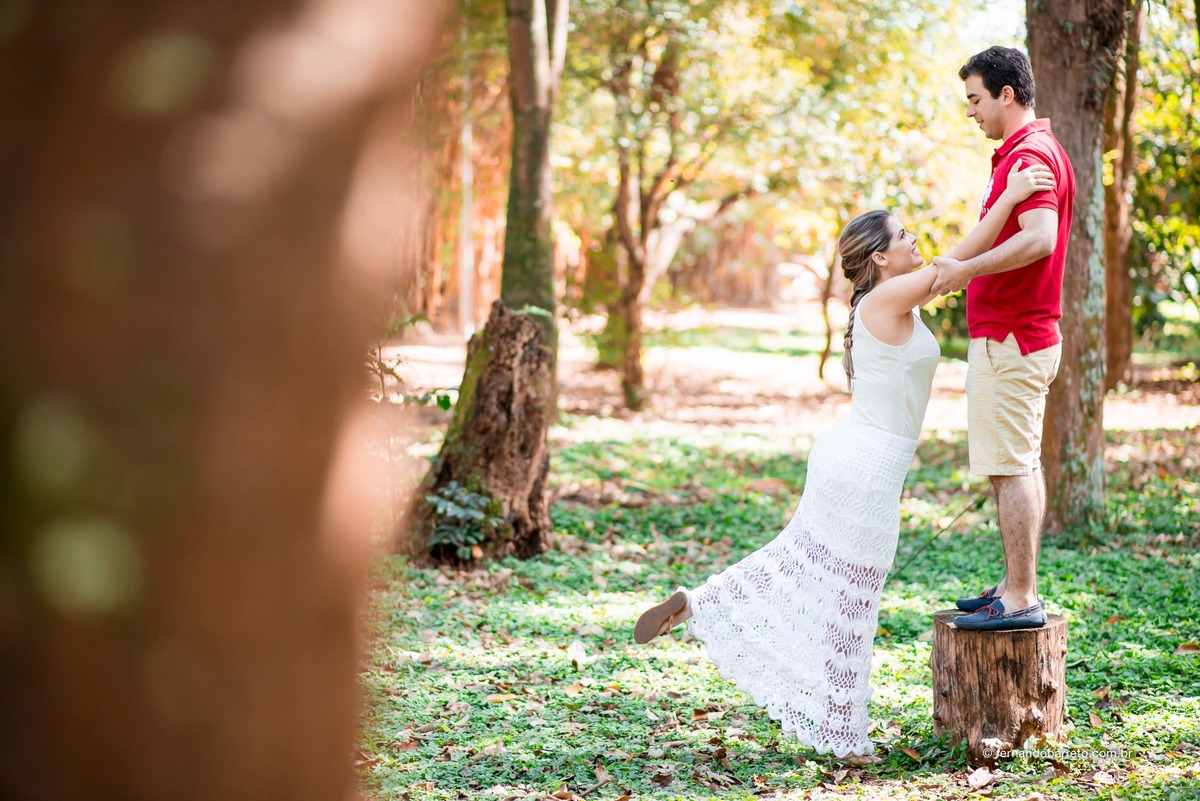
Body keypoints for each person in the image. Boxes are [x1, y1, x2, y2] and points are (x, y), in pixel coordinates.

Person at [632, 162, 1054, 762]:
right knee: (852, 600)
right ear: (880, 258)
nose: (914, 241)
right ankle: (844, 737)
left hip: (855, 458)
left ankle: (701, 602)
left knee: (803, 565)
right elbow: (957, 264)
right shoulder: (888, 297)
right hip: (865, 466)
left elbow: (948, 270)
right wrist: (1011, 197)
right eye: (903, 236)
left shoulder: (881, 303)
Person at [931, 46, 1076, 632]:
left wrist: (966, 271)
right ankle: (1019, 586)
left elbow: (1040, 238)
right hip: (1020, 334)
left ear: (1006, 94)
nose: (971, 112)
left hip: (1012, 337)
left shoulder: (1031, 152)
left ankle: (1019, 600)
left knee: (1010, 468)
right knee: (1018, 464)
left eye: (975, 99)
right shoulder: (1022, 154)